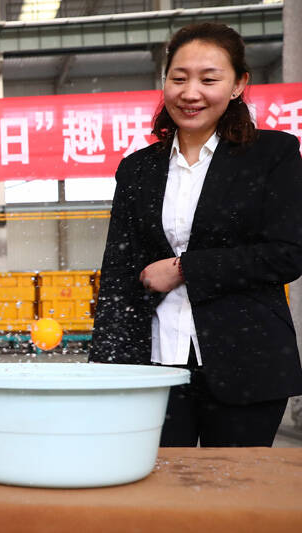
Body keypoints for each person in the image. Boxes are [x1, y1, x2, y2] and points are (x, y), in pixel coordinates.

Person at [90, 22, 302, 447]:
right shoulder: (137, 169)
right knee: (159, 481)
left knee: (237, 484)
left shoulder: (272, 154)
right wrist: (106, 365)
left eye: (209, 79)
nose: (190, 93)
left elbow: (288, 253)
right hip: (154, 364)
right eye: (179, 78)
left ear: (238, 84)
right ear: (164, 81)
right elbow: (118, 273)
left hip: (246, 360)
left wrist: (185, 268)